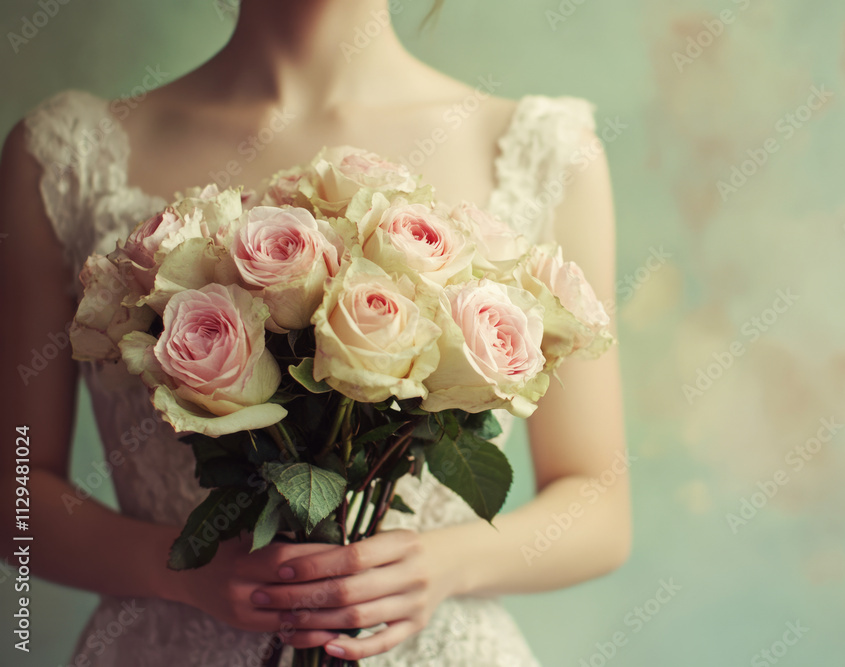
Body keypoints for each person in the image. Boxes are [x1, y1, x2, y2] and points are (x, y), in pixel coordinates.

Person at [0, 0, 631, 664]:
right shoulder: (64, 157)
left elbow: (600, 505)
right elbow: (16, 489)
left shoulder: (542, 151)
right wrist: (181, 567)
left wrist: (444, 563)